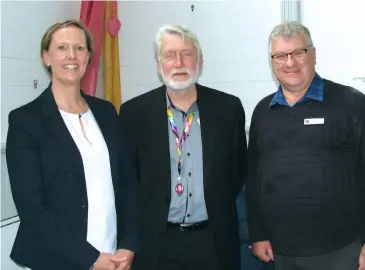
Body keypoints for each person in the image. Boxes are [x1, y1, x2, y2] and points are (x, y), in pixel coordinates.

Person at [5, 19, 138, 270]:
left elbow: (128, 185)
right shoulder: (26, 121)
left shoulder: (106, 112)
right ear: (46, 57)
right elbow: (32, 209)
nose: (72, 56)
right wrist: (91, 259)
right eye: (62, 48)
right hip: (58, 260)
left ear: (88, 57)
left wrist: (128, 244)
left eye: (79, 48)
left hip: (114, 258)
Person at [119, 24, 247, 270]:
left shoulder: (228, 109)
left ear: (200, 61)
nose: (179, 62)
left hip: (213, 242)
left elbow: (238, 171)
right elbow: (128, 183)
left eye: (187, 54)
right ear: (159, 66)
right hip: (156, 244)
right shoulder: (133, 113)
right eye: (169, 55)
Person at [246, 21, 365, 270]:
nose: (290, 63)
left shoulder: (352, 104)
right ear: (272, 61)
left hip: (342, 249)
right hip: (281, 251)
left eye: (298, 52)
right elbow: (254, 177)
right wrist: (257, 233)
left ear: (313, 54)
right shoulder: (263, 112)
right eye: (280, 56)